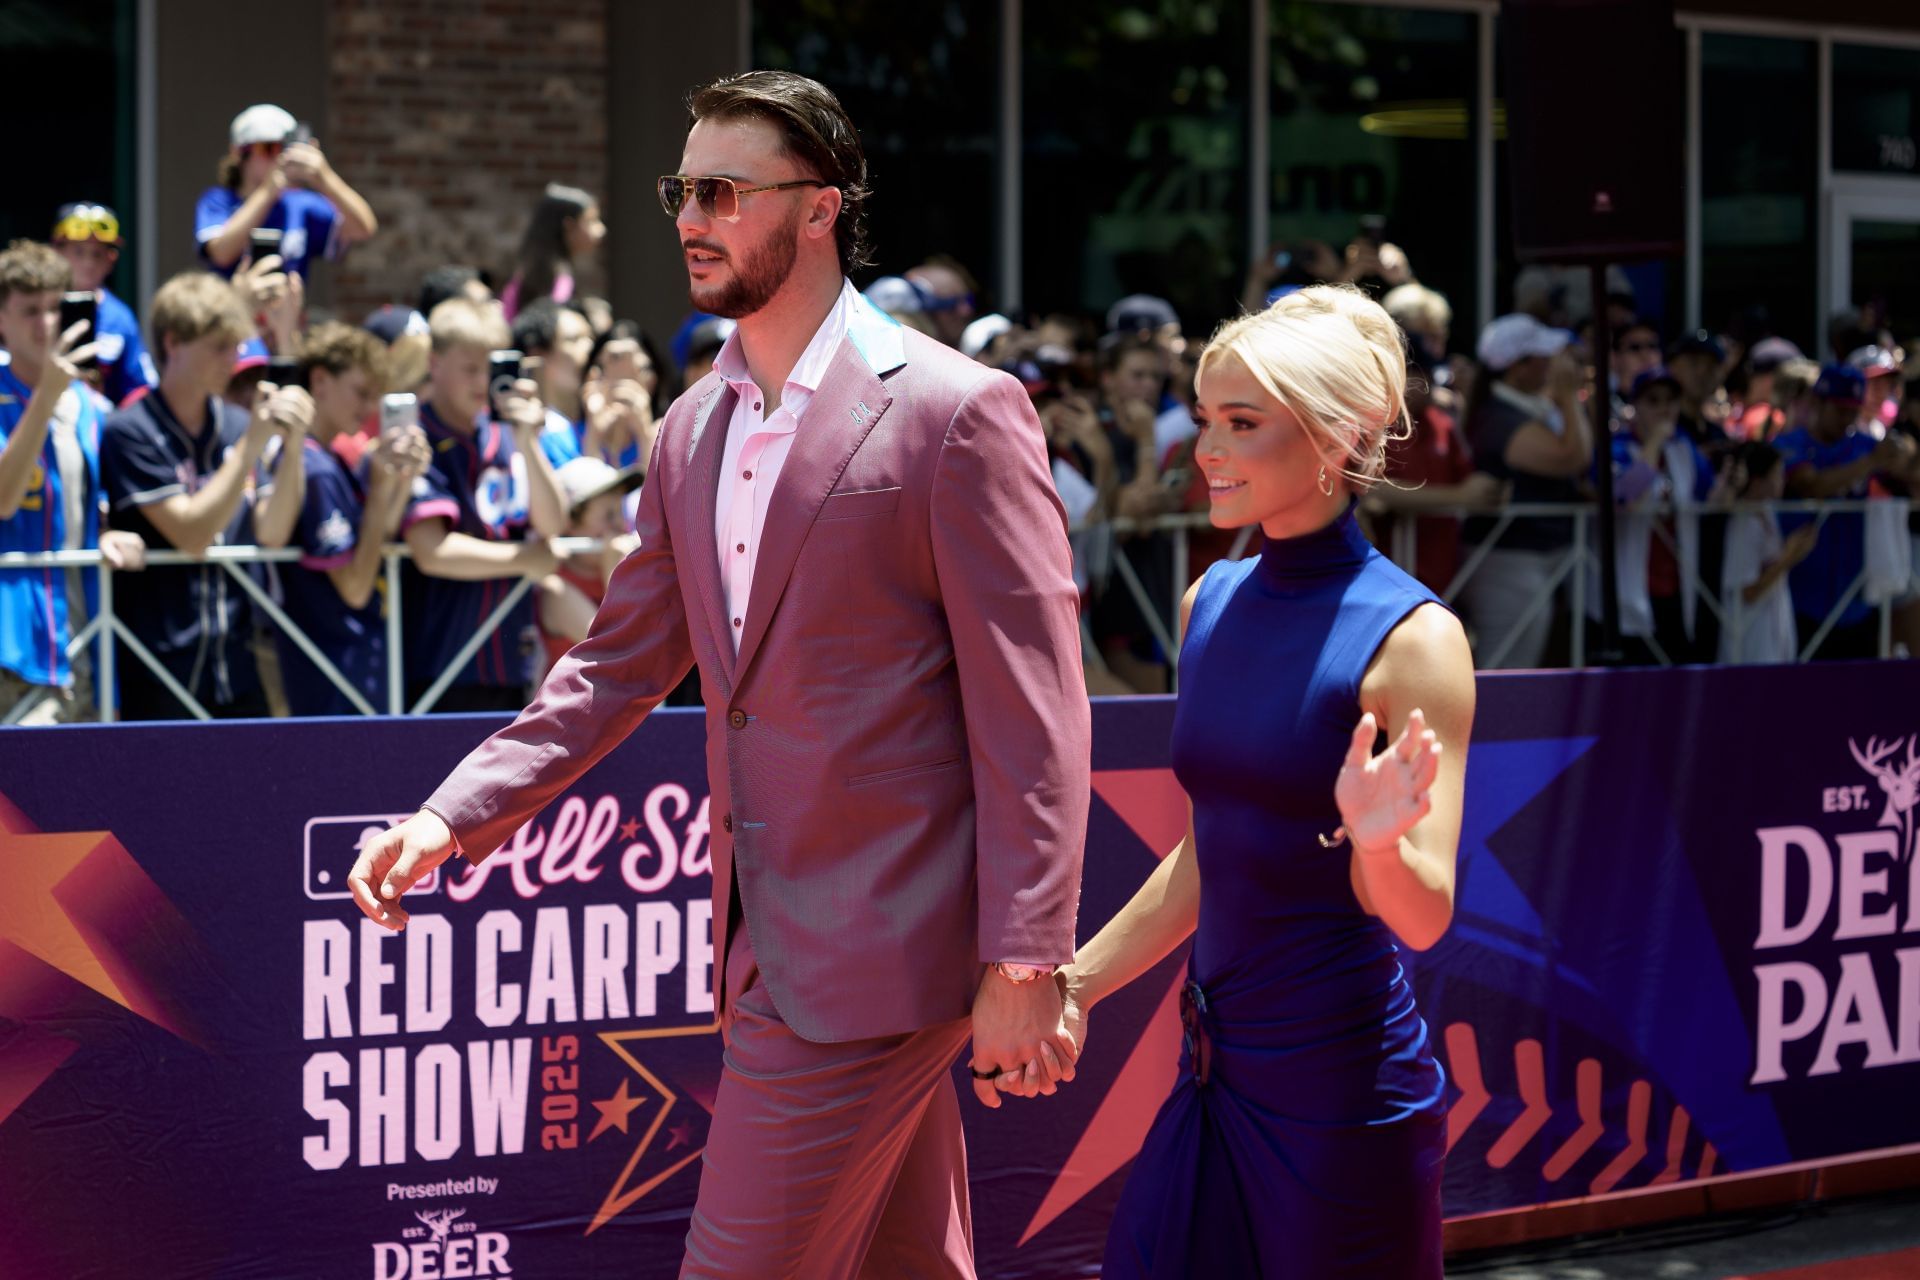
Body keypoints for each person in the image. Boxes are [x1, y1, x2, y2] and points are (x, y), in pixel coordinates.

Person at [345, 70, 1087, 1279]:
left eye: (724, 191)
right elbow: (616, 663)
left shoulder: (958, 411)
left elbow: (1034, 706)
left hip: (884, 953)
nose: (690, 217)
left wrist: (1027, 960)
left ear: (818, 209)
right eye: (683, 189)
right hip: (769, 943)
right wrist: (448, 816)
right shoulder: (691, 430)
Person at [1042, 285, 1469, 1278]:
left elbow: (1424, 913)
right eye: (1204, 418)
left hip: (1344, 1105)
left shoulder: (1416, 638)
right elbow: (1211, 851)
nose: (1206, 451)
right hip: (1211, 1078)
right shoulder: (1209, 601)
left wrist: (1373, 839)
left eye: (1242, 423)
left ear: (1334, 437)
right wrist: (1076, 983)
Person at [100, 271, 311, 718]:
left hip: (236, 662)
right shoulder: (130, 429)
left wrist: (293, 447)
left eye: (236, 345)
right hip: (159, 664)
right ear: (173, 343)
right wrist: (251, 447)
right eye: (218, 346)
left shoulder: (236, 422)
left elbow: (272, 533)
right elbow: (192, 535)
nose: (232, 359)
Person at [396, 297, 566, 711]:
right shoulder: (416, 437)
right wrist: (524, 557)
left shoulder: (505, 432)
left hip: (511, 661)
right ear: (435, 364)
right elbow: (432, 551)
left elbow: (554, 524)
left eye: (489, 369)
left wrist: (528, 441)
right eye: (469, 369)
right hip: (442, 665)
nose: (481, 382)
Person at [0, 240, 144, 723]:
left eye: (54, 308)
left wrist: (112, 534)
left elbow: (90, 504)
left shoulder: (90, 406)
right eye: (29, 311)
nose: (46, 324)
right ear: (2, 321)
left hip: (82, 631)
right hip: (12, 636)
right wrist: (44, 397)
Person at [268, 322, 431, 715]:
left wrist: (401, 478)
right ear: (320, 380)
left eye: (376, 396)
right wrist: (377, 491)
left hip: (349, 666)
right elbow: (356, 587)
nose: (370, 408)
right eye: (361, 392)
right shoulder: (315, 467)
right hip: (331, 672)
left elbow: (380, 534)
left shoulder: (333, 459)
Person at [1458, 314, 1591, 669]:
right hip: (1508, 562)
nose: (1553, 365)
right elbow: (1570, 457)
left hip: (1534, 559)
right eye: (1542, 357)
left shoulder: (1521, 410)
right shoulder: (1500, 418)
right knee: (1507, 665)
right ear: (1517, 368)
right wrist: (1568, 398)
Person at [1775, 364, 1917, 660]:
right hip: (1800, 600)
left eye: (1853, 410)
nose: (1847, 418)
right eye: (1839, 409)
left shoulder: (1864, 445)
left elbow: (1905, 470)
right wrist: (1869, 463)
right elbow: (1810, 485)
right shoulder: (1790, 444)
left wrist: (1903, 454)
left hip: (1855, 603)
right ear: (1817, 402)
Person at [196, 104, 378, 281]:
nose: (279, 157)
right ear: (238, 152)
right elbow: (221, 253)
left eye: (285, 148)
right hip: (234, 310)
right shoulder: (219, 200)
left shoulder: (300, 203)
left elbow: (363, 229)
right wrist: (268, 191)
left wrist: (323, 177)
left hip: (287, 311)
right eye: (268, 148)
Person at [534, 456, 642, 677]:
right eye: (609, 515)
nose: (620, 526)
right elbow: (616, 652)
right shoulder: (555, 589)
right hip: (570, 709)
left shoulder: (625, 565)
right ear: (571, 524)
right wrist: (614, 572)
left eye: (620, 512)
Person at [49, 202, 157, 406]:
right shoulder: (38, 309)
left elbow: (140, 389)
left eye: (97, 254)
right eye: (79, 251)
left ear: (111, 260)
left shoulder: (120, 318)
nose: (88, 263)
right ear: (57, 252)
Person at [1719, 441, 1815, 664]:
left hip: (1774, 633)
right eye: (1777, 474)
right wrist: (1789, 556)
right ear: (1758, 481)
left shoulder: (1767, 512)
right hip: (1752, 642)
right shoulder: (1744, 524)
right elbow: (1748, 591)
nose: (1783, 479)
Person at [500, 184, 604, 321]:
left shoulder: (533, 268)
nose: (601, 229)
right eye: (591, 221)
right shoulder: (559, 279)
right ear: (569, 225)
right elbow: (554, 322)